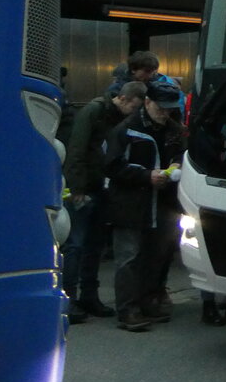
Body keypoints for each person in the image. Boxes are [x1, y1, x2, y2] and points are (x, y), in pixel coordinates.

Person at [60, 81, 148, 323]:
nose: (134, 113)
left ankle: (88, 296)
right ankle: (69, 299)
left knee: (93, 246)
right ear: (126, 100)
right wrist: (76, 187)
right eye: (135, 107)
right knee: (76, 245)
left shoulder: (109, 114)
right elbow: (77, 149)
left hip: (100, 187)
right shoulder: (94, 111)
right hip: (86, 187)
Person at [103, 81, 185, 331]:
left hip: (161, 204)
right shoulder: (126, 130)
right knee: (129, 257)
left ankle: (148, 301)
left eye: (169, 109)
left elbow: (182, 154)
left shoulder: (174, 129)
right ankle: (128, 309)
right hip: (131, 204)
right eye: (161, 108)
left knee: (157, 255)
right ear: (147, 102)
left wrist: (177, 166)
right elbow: (111, 166)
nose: (165, 114)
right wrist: (146, 176)